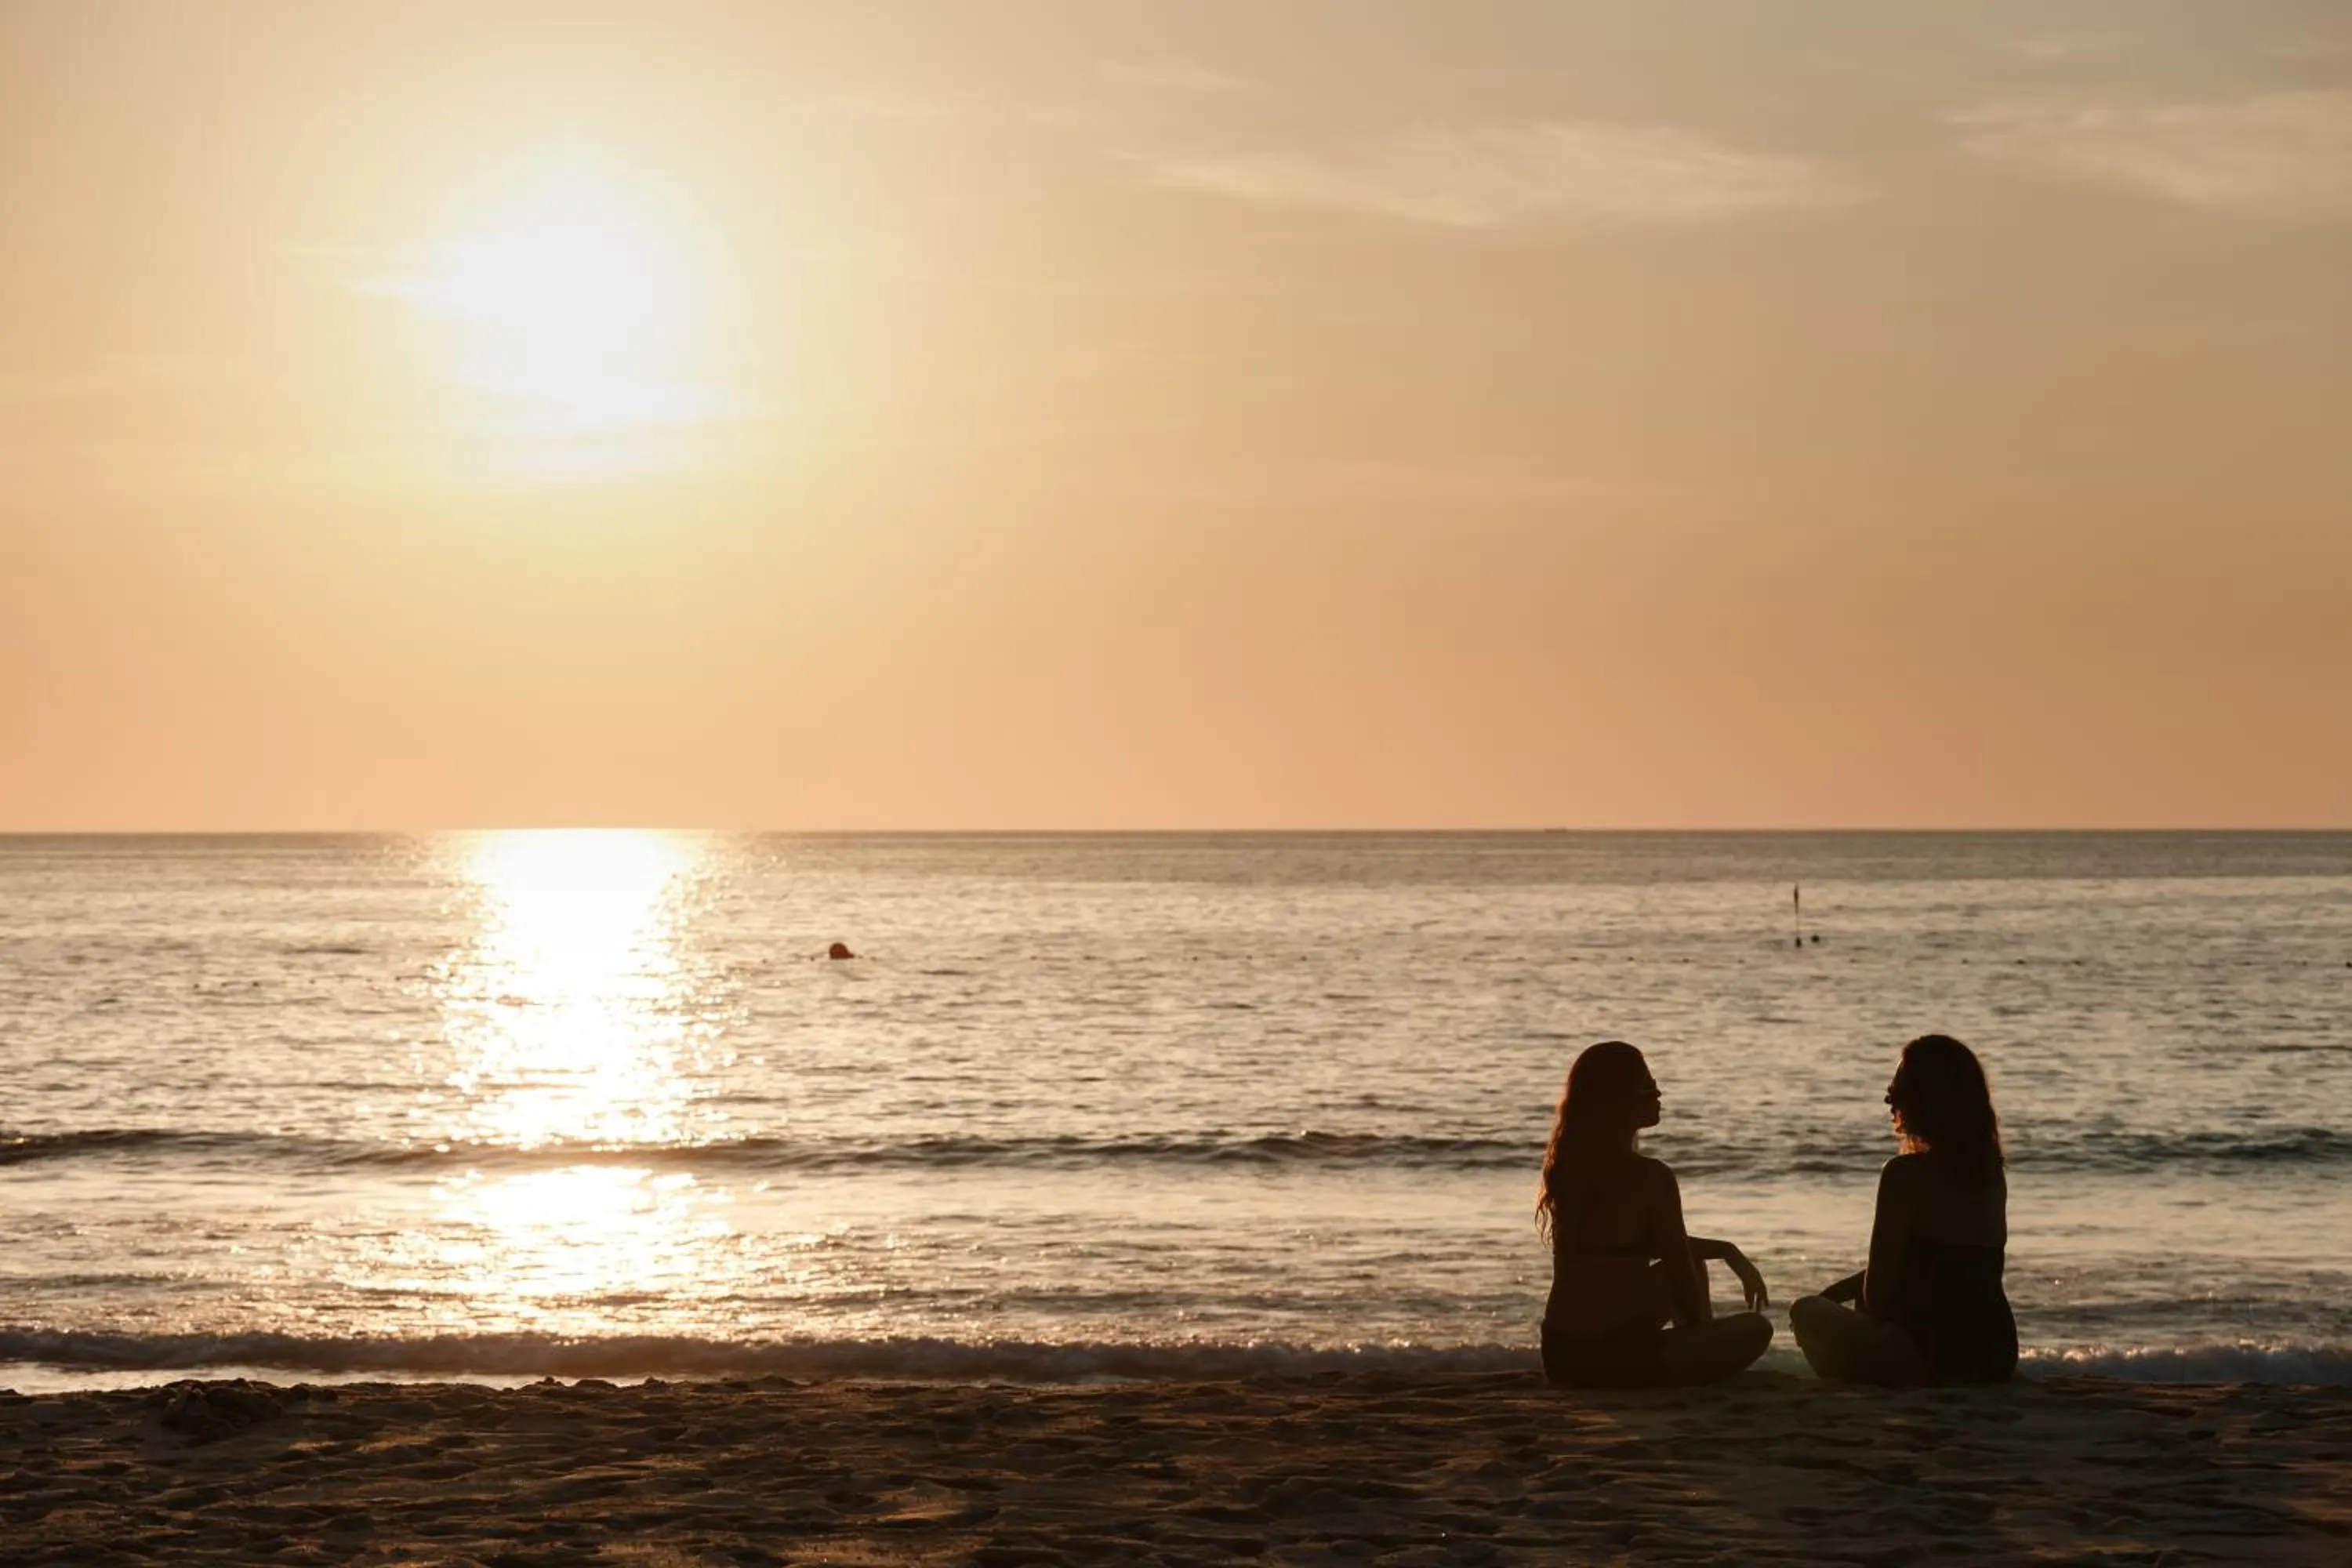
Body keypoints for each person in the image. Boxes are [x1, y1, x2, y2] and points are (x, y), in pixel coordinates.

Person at [1537, 1041, 1774, 1387]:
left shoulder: (1569, 1170)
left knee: (1693, 1261)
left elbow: (1631, 1245)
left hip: (1561, 1358)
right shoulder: (1651, 1176)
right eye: (1647, 1087)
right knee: (1755, 1328)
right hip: (1612, 1359)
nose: (1659, 1093)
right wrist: (1700, 1337)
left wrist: (1726, 1250)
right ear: (1617, 1099)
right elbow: (1677, 1265)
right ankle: (1697, 1365)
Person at [1788, 1033, 2017, 1385]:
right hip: (1994, 1353)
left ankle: (1861, 1385)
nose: (1887, 1100)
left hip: (1930, 1356)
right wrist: (1842, 1291)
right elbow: (1955, 1269)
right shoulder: (1990, 1173)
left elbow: (1879, 1296)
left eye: (1896, 1091)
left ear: (1926, 1099)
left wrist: (1853, 1302)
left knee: (1805, 1311)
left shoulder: (1904, 1175)